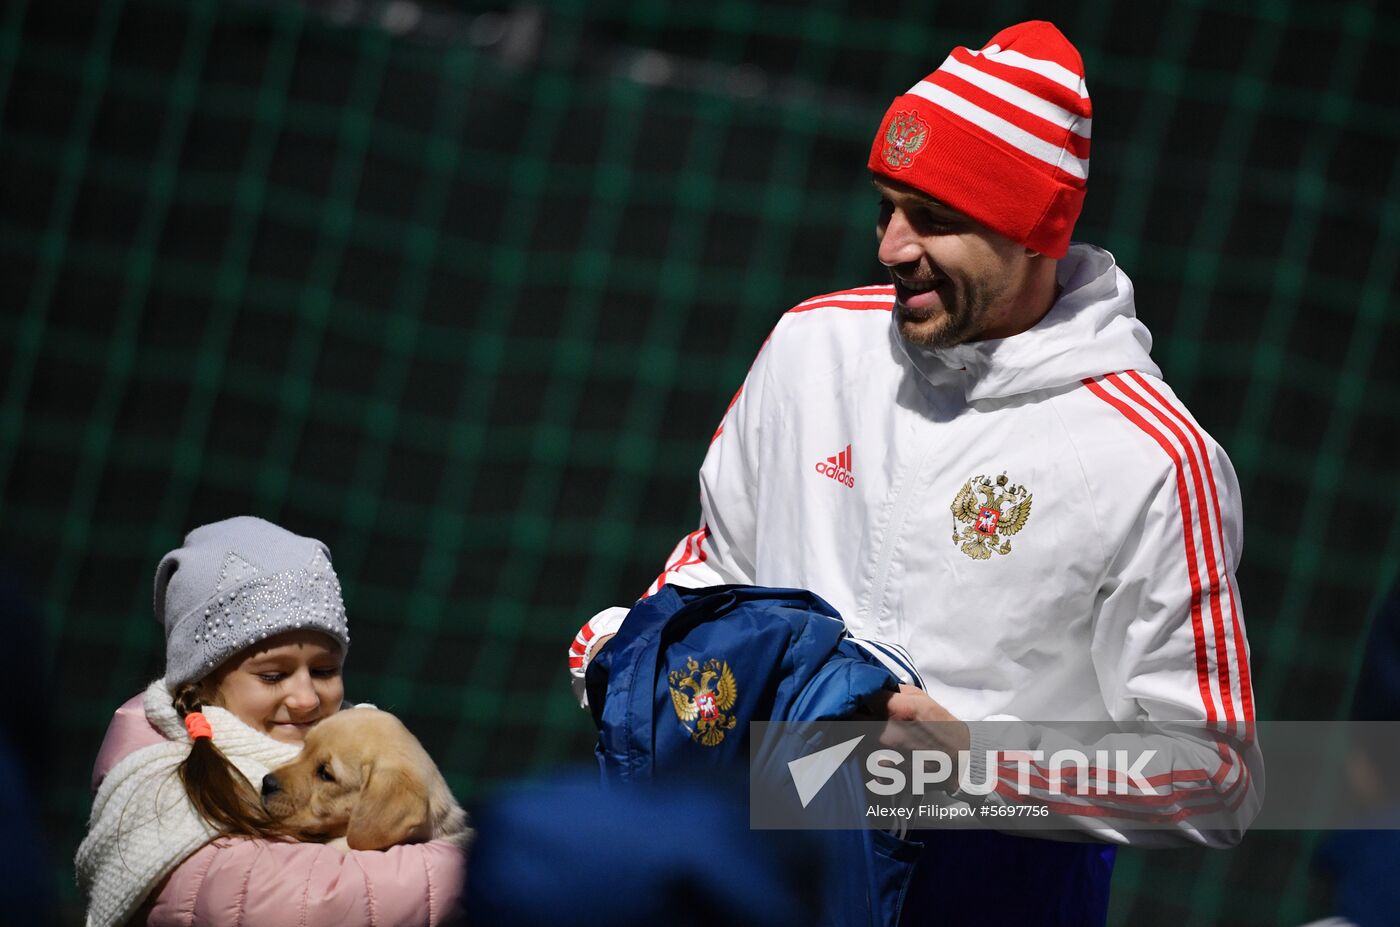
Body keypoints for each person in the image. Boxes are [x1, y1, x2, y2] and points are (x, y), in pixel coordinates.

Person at [567, 18, 1262, 921]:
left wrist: (973, 761)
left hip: (991, 895)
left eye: (933, 218)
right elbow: (713, 574)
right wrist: (626, 654)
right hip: (758, 875)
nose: (892, 246)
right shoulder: (811, 345)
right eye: (887, 206)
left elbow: (1216, 776)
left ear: (1037, 230)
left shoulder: (1155, 459)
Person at [77, 516, 464, 927]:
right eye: (273, 676)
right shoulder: (162, 781)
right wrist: (471, 865)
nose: (306, 698)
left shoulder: (358, 737)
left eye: (324, 671)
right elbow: (295, 903)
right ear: (203, 682)